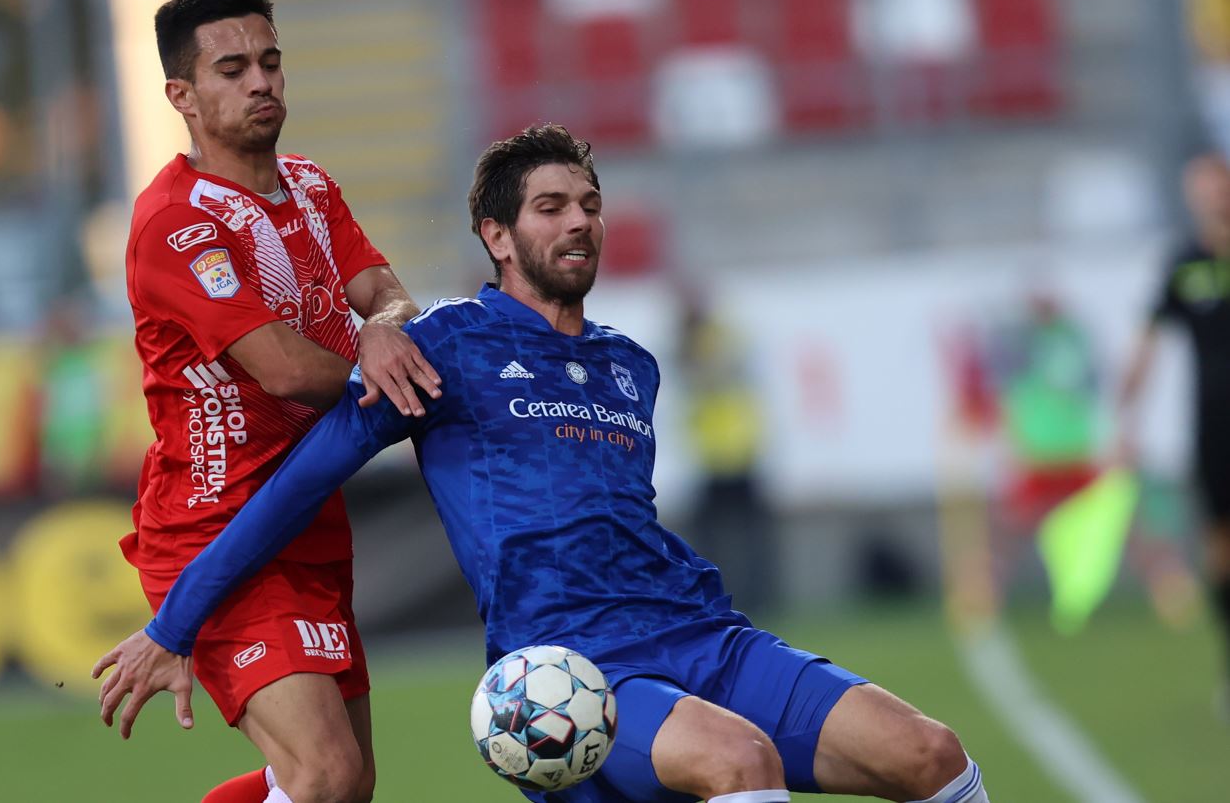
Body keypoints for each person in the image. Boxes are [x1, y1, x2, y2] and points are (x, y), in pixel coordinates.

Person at [95, 125, 988, 802]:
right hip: (574, 666)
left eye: (591, 205)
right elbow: (291, 487)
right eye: (551, 207)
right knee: (740, 761)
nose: (579, 223)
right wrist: (177, 623)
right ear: (495, 233)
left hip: (703, 630)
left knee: (933, 753)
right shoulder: (442, 347)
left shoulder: (630, 362)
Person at [98, 0, 441, 803]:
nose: (261, 81)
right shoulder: (176, 223)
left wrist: (387, 327)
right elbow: (285, 369)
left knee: (343, 785)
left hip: (308, 516)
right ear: (181, 96)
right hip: (218, 527)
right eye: (232, 68)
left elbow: (390, 297)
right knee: (325, 773)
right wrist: (379, 352)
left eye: (270, 61)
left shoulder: (314, 187)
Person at [1118, 152, 1230, 696]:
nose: (1214, 197)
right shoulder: (1184, 262)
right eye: (1203, 189)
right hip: (1215, 426)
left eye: (1220, 185)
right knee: (1219, 547)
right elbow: (1149, 338)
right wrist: (1127, 418)